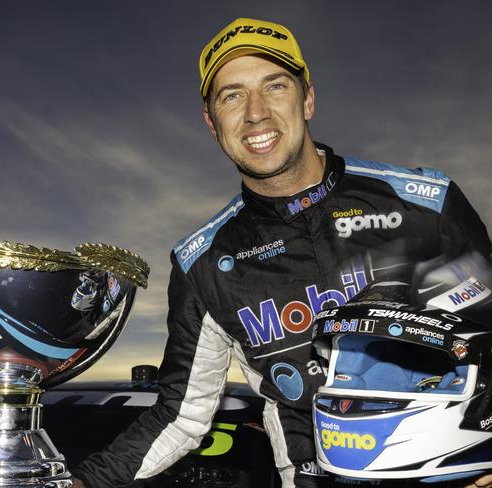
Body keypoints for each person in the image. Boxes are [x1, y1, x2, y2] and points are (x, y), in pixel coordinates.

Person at [71, 17, 492, 488]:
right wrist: (82, 484)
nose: (256, 113)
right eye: (232, 95)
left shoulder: (425, 203)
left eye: (274, 86)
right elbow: (180, 415)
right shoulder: (202, 265)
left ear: (307, 99)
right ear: (212, 124)